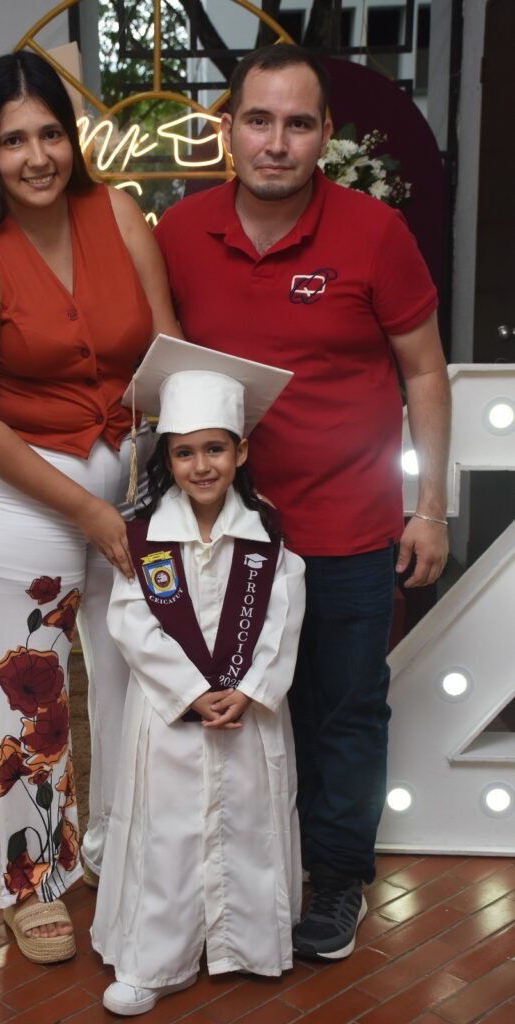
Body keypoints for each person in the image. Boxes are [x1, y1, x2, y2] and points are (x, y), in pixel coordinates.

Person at [154, 44, 451, 961]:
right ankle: (254, 875)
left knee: (346, 709)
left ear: (325, 135)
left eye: (296, 124)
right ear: (227, 129)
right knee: (240, 713)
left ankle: (336, 881)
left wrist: (430, 506)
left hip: (352, 529)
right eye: (258, 120)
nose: (275, 143)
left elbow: (425, 371)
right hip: (230, 535)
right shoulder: (178, 233)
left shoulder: (374, 232)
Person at [0, 51, 179, 963]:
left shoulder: (118, 213)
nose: (37, 157)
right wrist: (87, 511)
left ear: (72, 139)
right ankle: (32, 883)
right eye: (13, 141)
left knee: (129, 677)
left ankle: (113, 846)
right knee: (34, 703)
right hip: (19, 498)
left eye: (50, 135)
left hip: (127, 484)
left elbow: (167, 343)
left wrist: (166, 470)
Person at [91, 335, 306, 1015]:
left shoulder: (267, 537)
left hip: (246, 712)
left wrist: (249, 689)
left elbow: (283, 619)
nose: (201, 465)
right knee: (168, 831)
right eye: (184, 452)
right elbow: (131, 622)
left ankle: (247, 943)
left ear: (240, 452)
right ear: (168, 460)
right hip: (170, 713)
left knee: (246, 822)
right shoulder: (144, 539)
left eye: (215, 449)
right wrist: (190, 692)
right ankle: (157, 959)